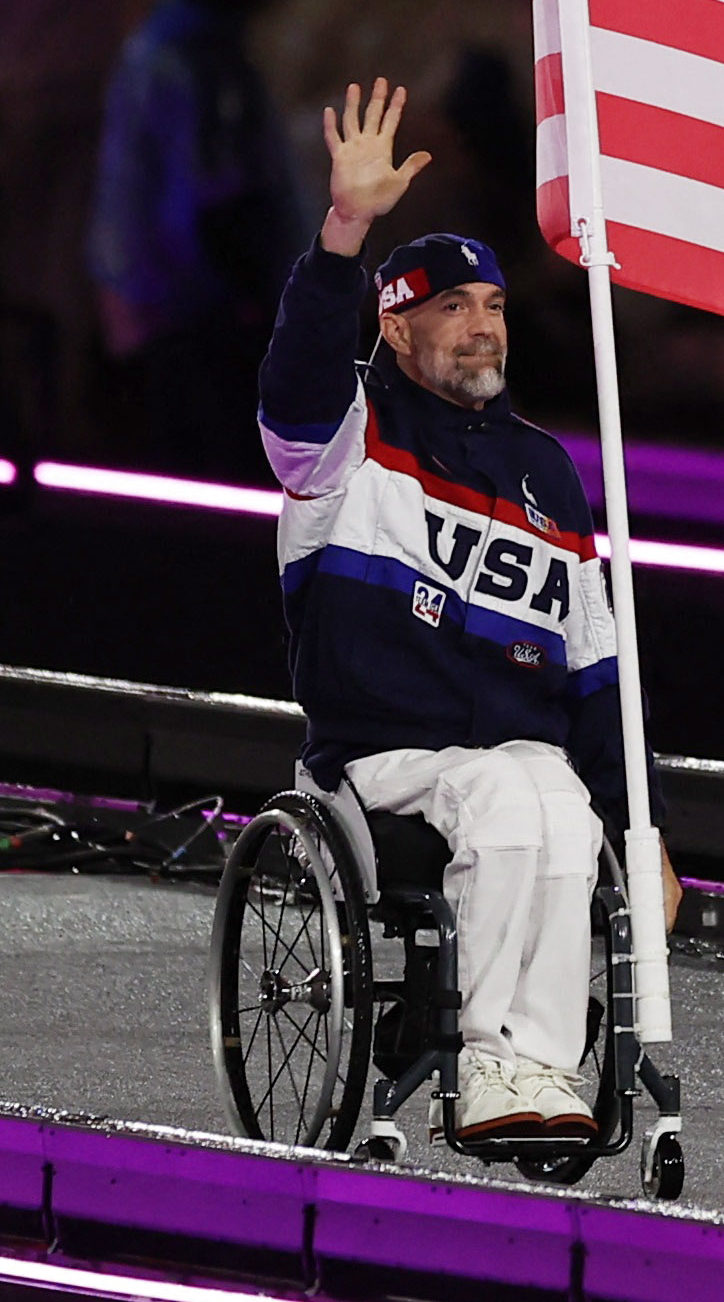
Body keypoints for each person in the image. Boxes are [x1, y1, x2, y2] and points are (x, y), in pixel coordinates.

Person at [259, 77, 675, 1143]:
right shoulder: (347, 433)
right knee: (505, 791)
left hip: (506, 753)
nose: (480, 326)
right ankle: (491, 1055)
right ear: (397, 331)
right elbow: (296, 376)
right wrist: (347, 228)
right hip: (382, 750)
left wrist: (649, 827)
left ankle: (538, 1066)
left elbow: (595, 673)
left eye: (491, 305)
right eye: (451, 309)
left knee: (559, 804)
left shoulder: (547, 469)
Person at [92, 0, 295, 473]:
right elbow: (205, 199)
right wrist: (251, 294)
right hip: (183, 302)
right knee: (205, 469)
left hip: (157, 293)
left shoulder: (170, 48)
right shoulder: (193, 60)